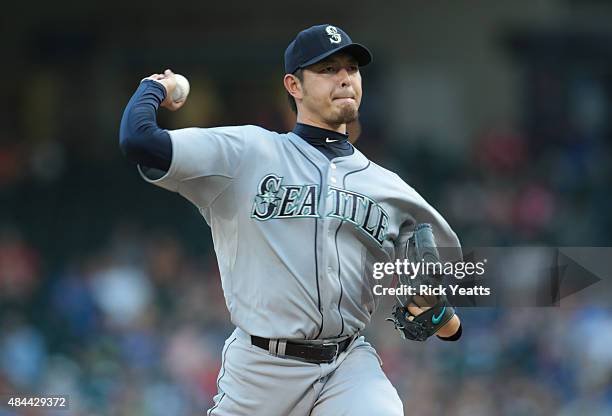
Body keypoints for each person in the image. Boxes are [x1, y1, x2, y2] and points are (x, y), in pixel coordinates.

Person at [120, 24, 462, 416]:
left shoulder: (389, 187)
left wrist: (438, 309)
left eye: (351, 68)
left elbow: (445, 277)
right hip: (261, 369)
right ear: (294, 86)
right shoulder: (247, 153)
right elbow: (139, 141)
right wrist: (153, 88)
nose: (345, 78)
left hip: (347, 365)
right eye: (328, 69)